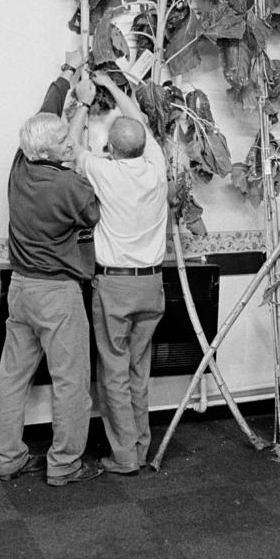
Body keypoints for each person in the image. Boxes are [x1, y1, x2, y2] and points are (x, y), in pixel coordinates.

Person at [0, 53, 104, 486]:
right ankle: (63, 466)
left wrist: (68, 75)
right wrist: (86, 107)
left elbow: (47, 109)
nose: (68, 146)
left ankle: (9, 459)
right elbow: (92, 215)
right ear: (48, 151)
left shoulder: (19, 166)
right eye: (63, 144)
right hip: (57, 296)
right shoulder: (71, 186)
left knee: (12, 380)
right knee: (71, 383)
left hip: (20, 291)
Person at [72, 70, 169, 475]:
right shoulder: (156, 166)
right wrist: (113, 88)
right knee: (138, 370)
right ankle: (140, 447)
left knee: (113, 369)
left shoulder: (103, 171)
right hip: (151, 286)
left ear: (111, 148)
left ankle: (125, 456)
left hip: (114, 285)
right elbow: (141, 125)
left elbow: (70, 145)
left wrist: (82, 100)